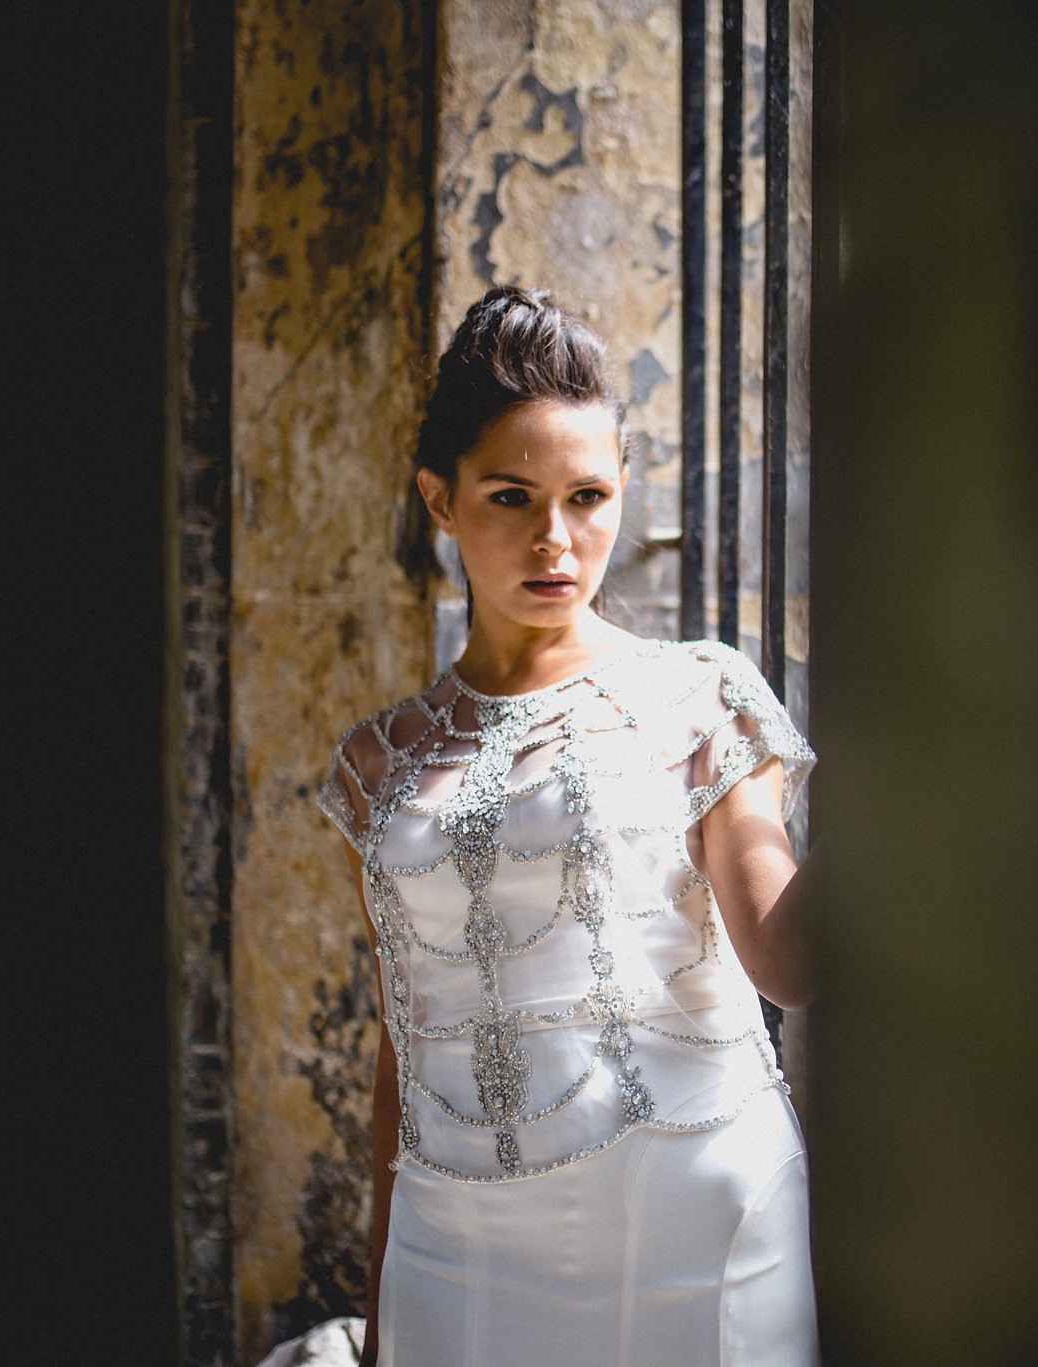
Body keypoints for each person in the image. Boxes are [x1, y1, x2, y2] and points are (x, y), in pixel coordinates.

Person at [314, 284, 825, 1366]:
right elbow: (403, 1048)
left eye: (587, 495)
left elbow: (789, 960)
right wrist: (381, 1281)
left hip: (692, 1207)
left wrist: (907, 764)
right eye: (510, 495)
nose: (556, 538)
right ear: (439, 499)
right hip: (456, 1239)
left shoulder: (699, 696)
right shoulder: (377, 761)